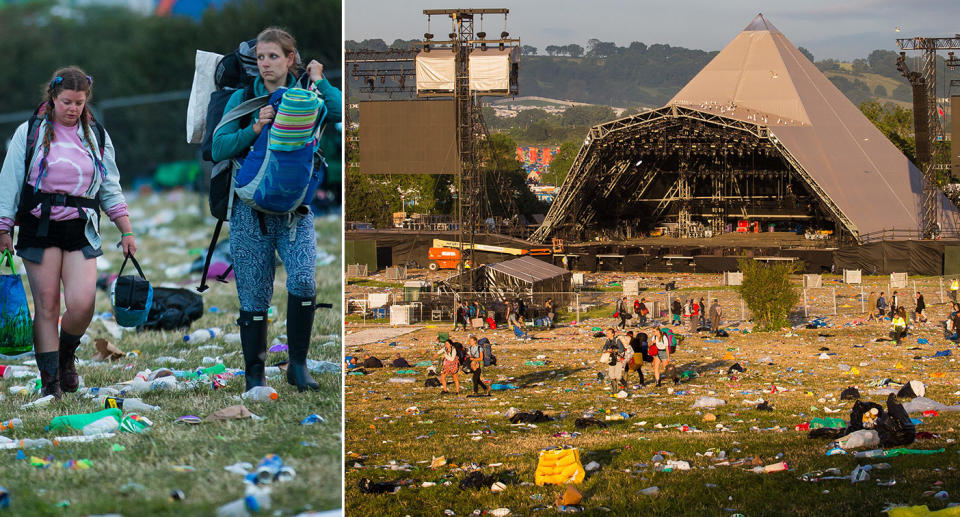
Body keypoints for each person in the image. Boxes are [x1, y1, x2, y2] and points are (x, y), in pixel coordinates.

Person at [212, 27, 341, 393]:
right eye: (260, 58)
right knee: (253, 295)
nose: (265, 64)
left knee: (303, 280)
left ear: (289, 59)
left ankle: (297, 366)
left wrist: (319, 79)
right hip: (249, 211)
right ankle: (255, 373)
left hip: (295, 212)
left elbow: (336, 110)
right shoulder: (243, 97)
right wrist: (256, 126)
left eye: (273, 56)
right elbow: (218, 148)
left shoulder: (307, 95)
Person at [0, 67, 136, 399]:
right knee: (47, 305)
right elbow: (10, 181)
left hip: (80, 228)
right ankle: (51, 384)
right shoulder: (29, 132)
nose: (72, 109)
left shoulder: (96, 136)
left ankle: (64, 356)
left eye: (78, 102)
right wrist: (3, 227)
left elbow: (110, 187)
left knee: (82, 303)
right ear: (53, 98)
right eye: (66, 102)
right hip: (39, 227)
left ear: (86, 100)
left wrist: (127, 231)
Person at [599, 328, 625, 393]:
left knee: (618, 376)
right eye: (607, 333)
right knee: (611, 375)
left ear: (613, 334)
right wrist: (605, 350)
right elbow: (604, 347)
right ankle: (614, 390)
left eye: (608, 333)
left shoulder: (617, 340)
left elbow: (621, 349)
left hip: (618, 359)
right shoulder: (608, 340)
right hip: (611, 359)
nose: (607, 334)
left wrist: (613, 350)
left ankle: (625, 384)